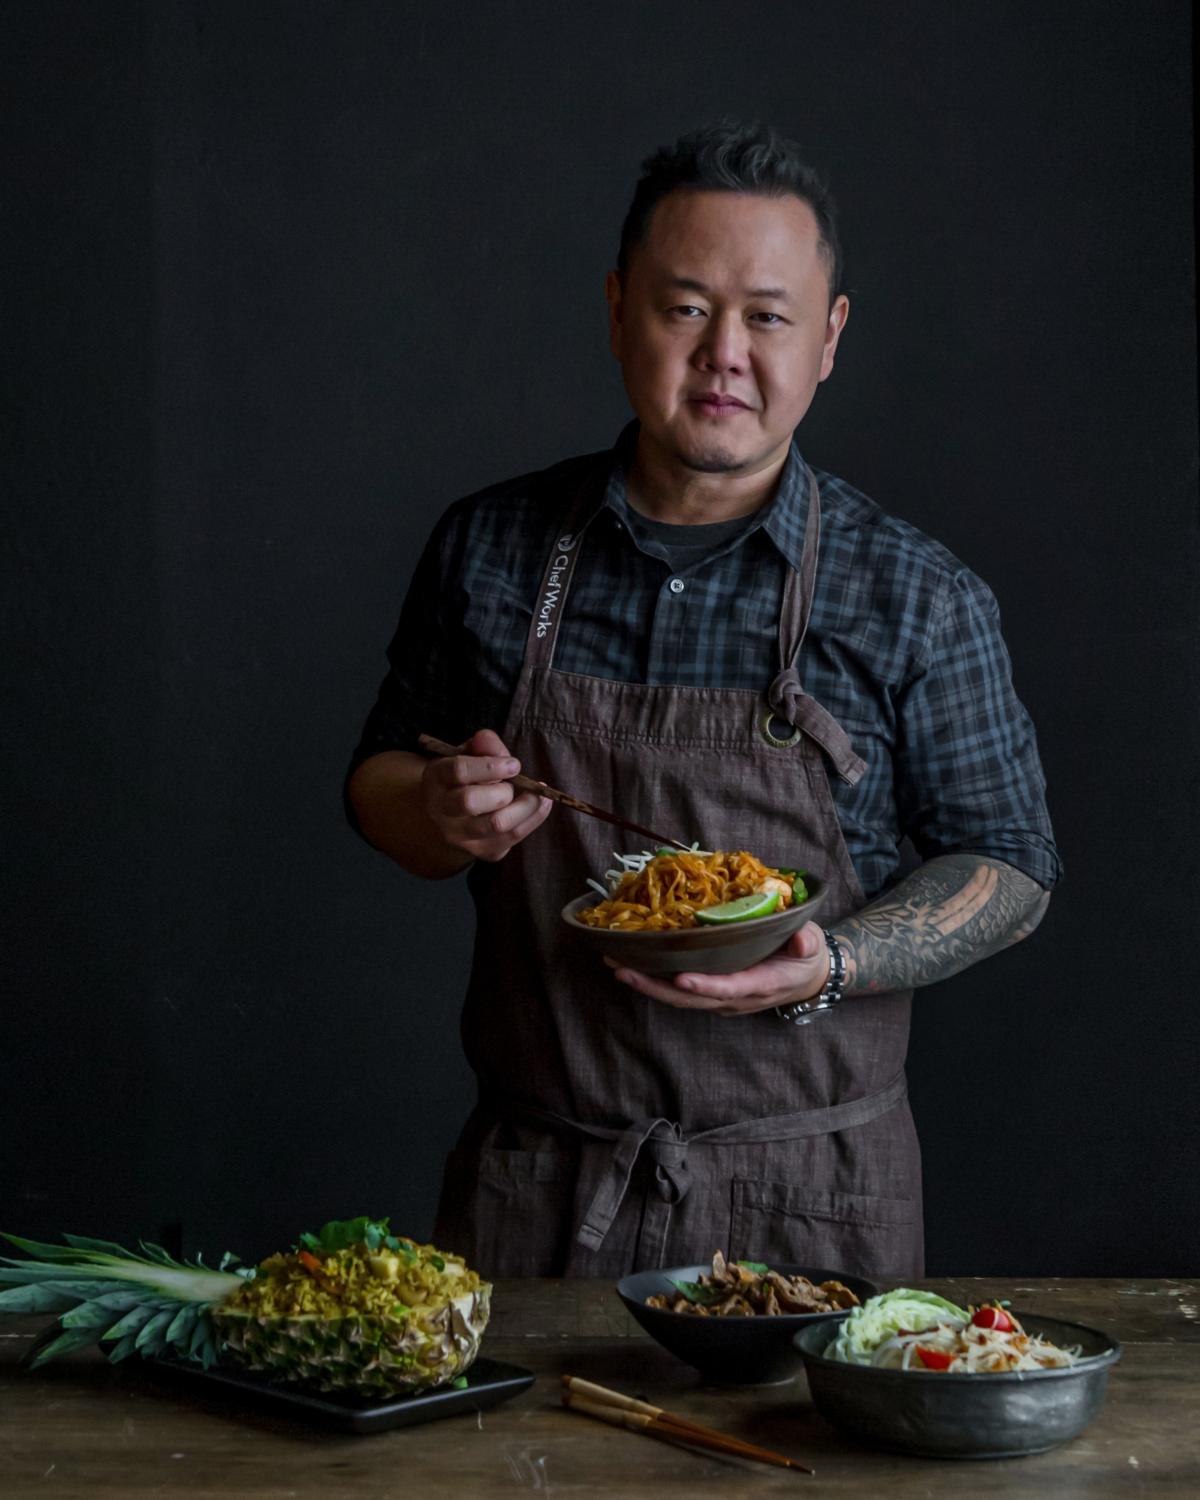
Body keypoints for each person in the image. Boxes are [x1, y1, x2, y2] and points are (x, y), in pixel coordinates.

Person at [345, 122, 1061, 1280]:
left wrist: (834, 963)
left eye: (769, 317)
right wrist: (437, 810)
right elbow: (378, 780)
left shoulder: (918, 594)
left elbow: (1011, 865)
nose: (726, 353)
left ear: (828, 338)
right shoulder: (489, 547)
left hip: (816, 1199)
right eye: (685, 308)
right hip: (542, 1192)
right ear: (620, 309)